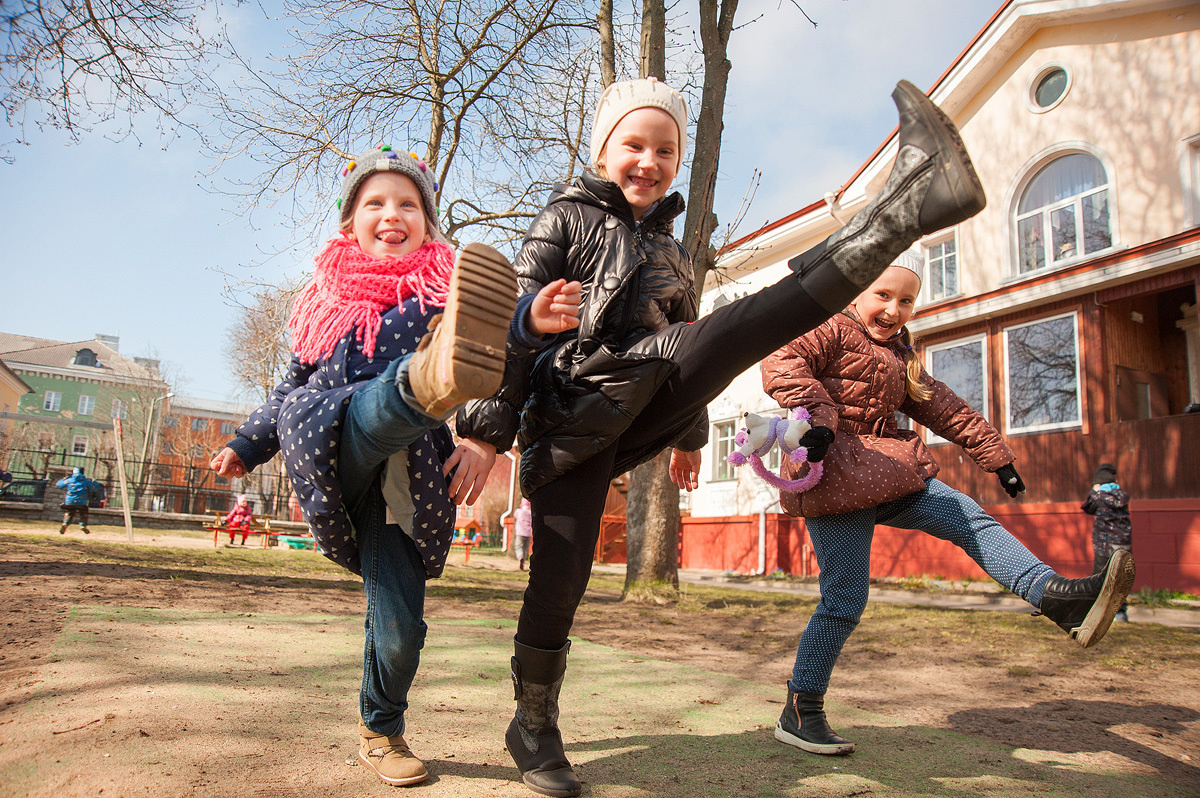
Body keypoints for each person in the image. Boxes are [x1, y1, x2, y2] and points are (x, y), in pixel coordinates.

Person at [450, 76, 993, 797]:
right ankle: (533, 721)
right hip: (572, 416)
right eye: (634, 145)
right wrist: (485, 435)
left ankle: (902, 212)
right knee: (562, 578)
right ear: (602, 149)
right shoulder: (563, 220)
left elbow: (696, 346)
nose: (650, 161)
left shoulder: (674, 257)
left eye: (666, 149)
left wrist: (689, 434)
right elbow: (513, 331)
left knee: (743, 324)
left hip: (651, 398)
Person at [209, 144, 517, 788]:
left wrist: (530, 321)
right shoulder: (321, 302)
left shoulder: (442, 296)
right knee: (379, 397)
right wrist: (245, 444)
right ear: (350, 223)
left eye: (409, 204)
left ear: (429, 224)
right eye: (375, 203)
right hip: (330, 446)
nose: (392, 214)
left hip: (404, 484)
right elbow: (284, 388)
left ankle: (381, 728)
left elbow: (495, 337)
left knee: (402, 629)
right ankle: (419, 382)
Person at [759, 251, 1137, 758]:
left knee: (970, 519)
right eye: (883, 295)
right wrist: (820, 419)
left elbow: (939, 403)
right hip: (835, 477)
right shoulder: (828, 327)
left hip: (889, 469)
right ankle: (802, 708)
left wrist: (994, 455)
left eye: (907, 300)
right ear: (856, 293)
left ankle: (1057, 597)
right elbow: (781, 361)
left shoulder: (899, 354)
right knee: (845, 602)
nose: (893, 310)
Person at [1083, 462, 1132, 622]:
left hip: (1104, 546)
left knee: (1101, 578)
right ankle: (1121, 613)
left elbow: (1087, 507)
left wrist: (1094, 491)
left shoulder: (1098, 497)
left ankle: (1098, 612)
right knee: (1120, 578)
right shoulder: (1122, 496)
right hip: (1123, 545)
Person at [57, 467, 101, 535]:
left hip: (69, 501)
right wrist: (94, 482)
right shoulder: (86, 481)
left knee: (69, 512)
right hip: (81, 501)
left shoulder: (69, 480)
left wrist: (63, 479)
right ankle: (82, 525)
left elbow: (59, 485)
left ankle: (65, 523)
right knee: (83, 512)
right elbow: (95, 488)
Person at [512, 497, 533, 571]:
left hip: (520, 533)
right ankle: (523, 560)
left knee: (518, 547)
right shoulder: (530, 513)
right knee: (525, 548)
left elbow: (515, 515)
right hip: (528, 533)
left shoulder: (518, 511)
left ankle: (520, 557)